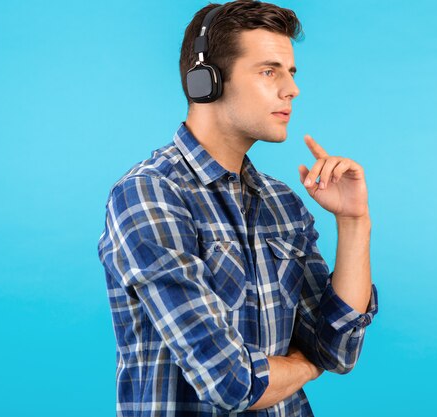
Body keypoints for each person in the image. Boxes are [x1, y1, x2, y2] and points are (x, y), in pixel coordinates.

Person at [97, 1, 379, 416]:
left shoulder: (282, 202)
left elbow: (337, 349)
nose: (292, 89)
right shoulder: (150, 195)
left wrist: (353, 222)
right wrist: (305, 362)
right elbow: (231, 382)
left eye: (291, 73)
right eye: (269, 71)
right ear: (205, 82)